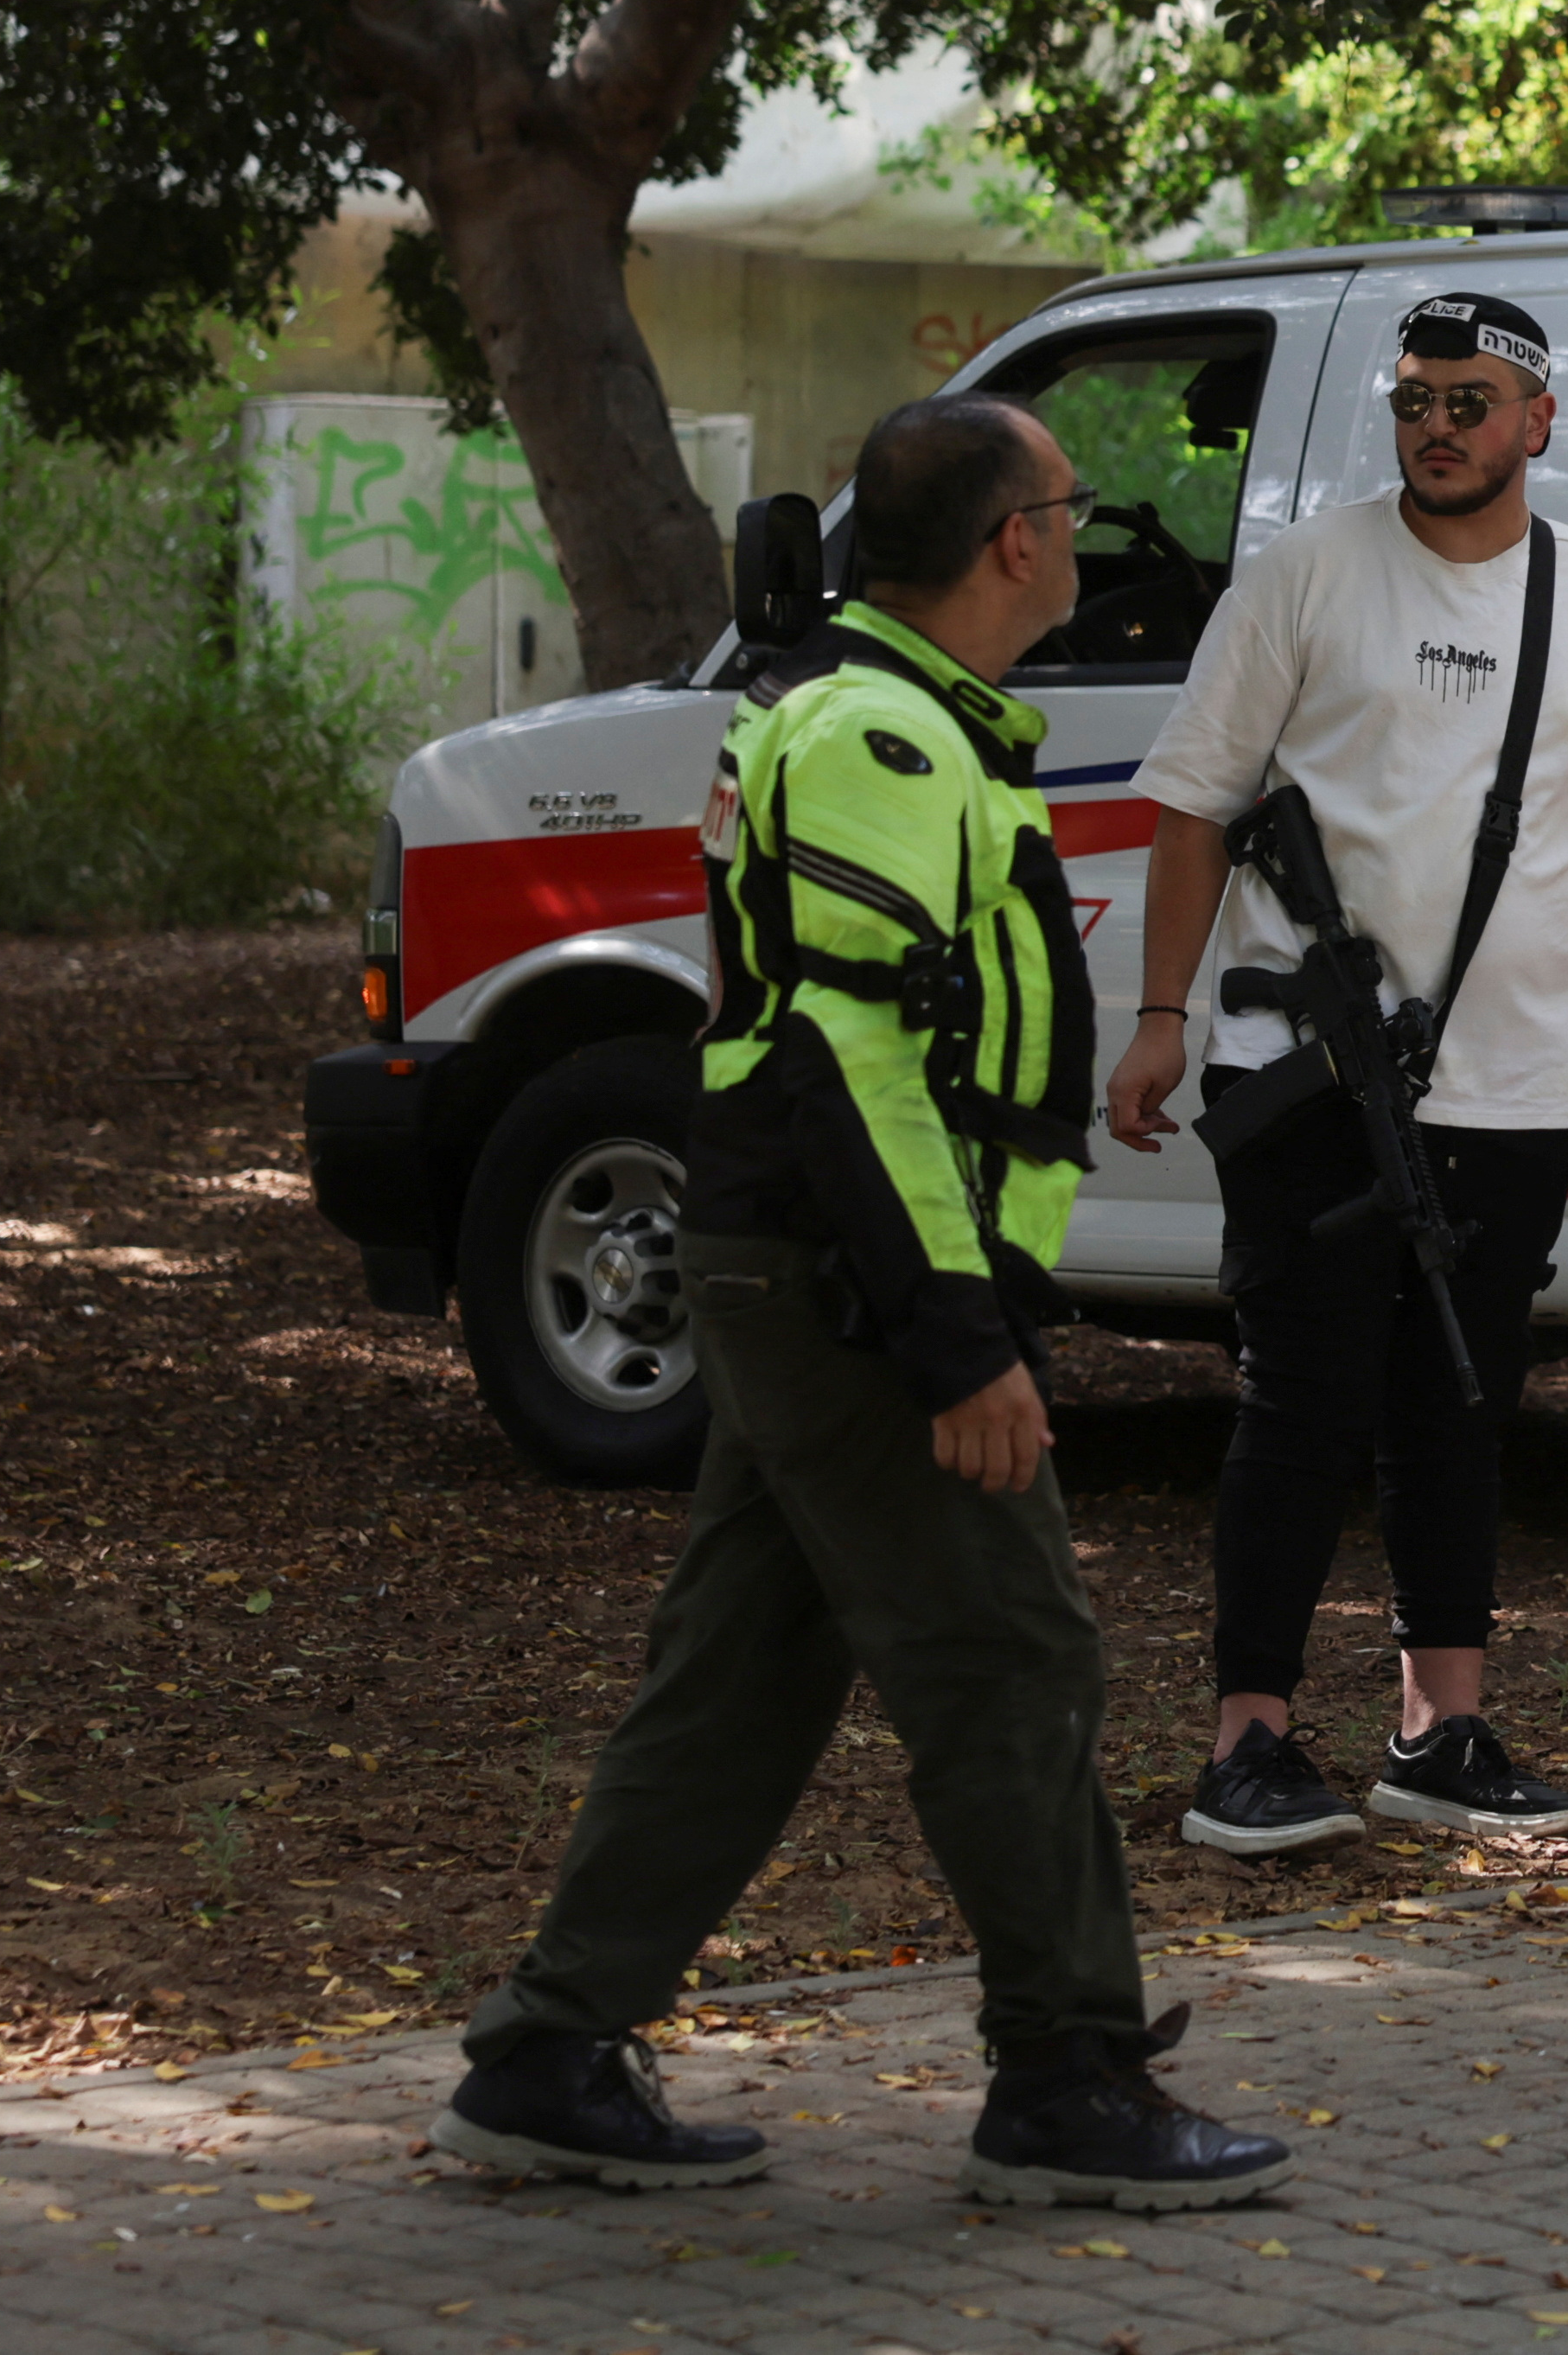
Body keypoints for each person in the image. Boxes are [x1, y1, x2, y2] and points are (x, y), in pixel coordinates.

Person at [440, 394, 1286, 2208]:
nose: (1085, 536)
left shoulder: (902, 721)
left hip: (821, 1273)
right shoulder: (876, 738)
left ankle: (550, 2050)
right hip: (852, 1288)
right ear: (1012, 541)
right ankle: (1065, 2075)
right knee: (1013, 1652)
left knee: (740, 1674)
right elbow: (851, 1059)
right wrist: (958, 1337)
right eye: (1072, 507)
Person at [1107, 288, 1568, 1857]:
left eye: (1468, 402)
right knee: (1300, 1402)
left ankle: (1437, 1734)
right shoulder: (1306, 574)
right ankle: (1248, 1743)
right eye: (1413, 401)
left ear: (1538, 421)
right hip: (1301, 1071)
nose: (1435, 428)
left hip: (1511, 1091)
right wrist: (1164, 1014)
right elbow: (1195, 803)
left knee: (1460, 1403)